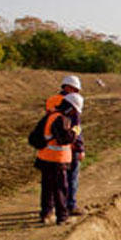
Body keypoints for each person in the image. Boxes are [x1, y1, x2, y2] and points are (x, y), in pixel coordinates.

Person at [35, 93, 83, 225]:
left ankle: (46, 214)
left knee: (47, 189)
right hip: (57, 160)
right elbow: (64, 139)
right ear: (71, 107)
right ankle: (62, 217)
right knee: (60, 189)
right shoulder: (60, 119)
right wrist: (75, 132)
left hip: (45, 158)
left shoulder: (50, 116)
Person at [45, 76, 86, 216]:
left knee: (51, 181)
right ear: (67, 87)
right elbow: (76, 127)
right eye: (75, 89)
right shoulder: (72, 103)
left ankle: (50, 209)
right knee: (71, 177)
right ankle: (70, 205)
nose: (77, 93)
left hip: (51, 148)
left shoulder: (52, 101)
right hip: (69, 148)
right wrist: (80, 148)